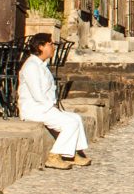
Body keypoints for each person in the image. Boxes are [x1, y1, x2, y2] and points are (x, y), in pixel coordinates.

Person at [18, 31, 89, 169]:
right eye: (50, 44)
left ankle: (71, 153)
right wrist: (51, 107)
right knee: (69, 123)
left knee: (76, 118)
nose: (53, 47)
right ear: (41, 47)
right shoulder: (31, 66)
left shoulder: (41, 65)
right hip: (36, 109)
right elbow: (37, 94)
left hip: (45, 107)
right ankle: (54, 155)